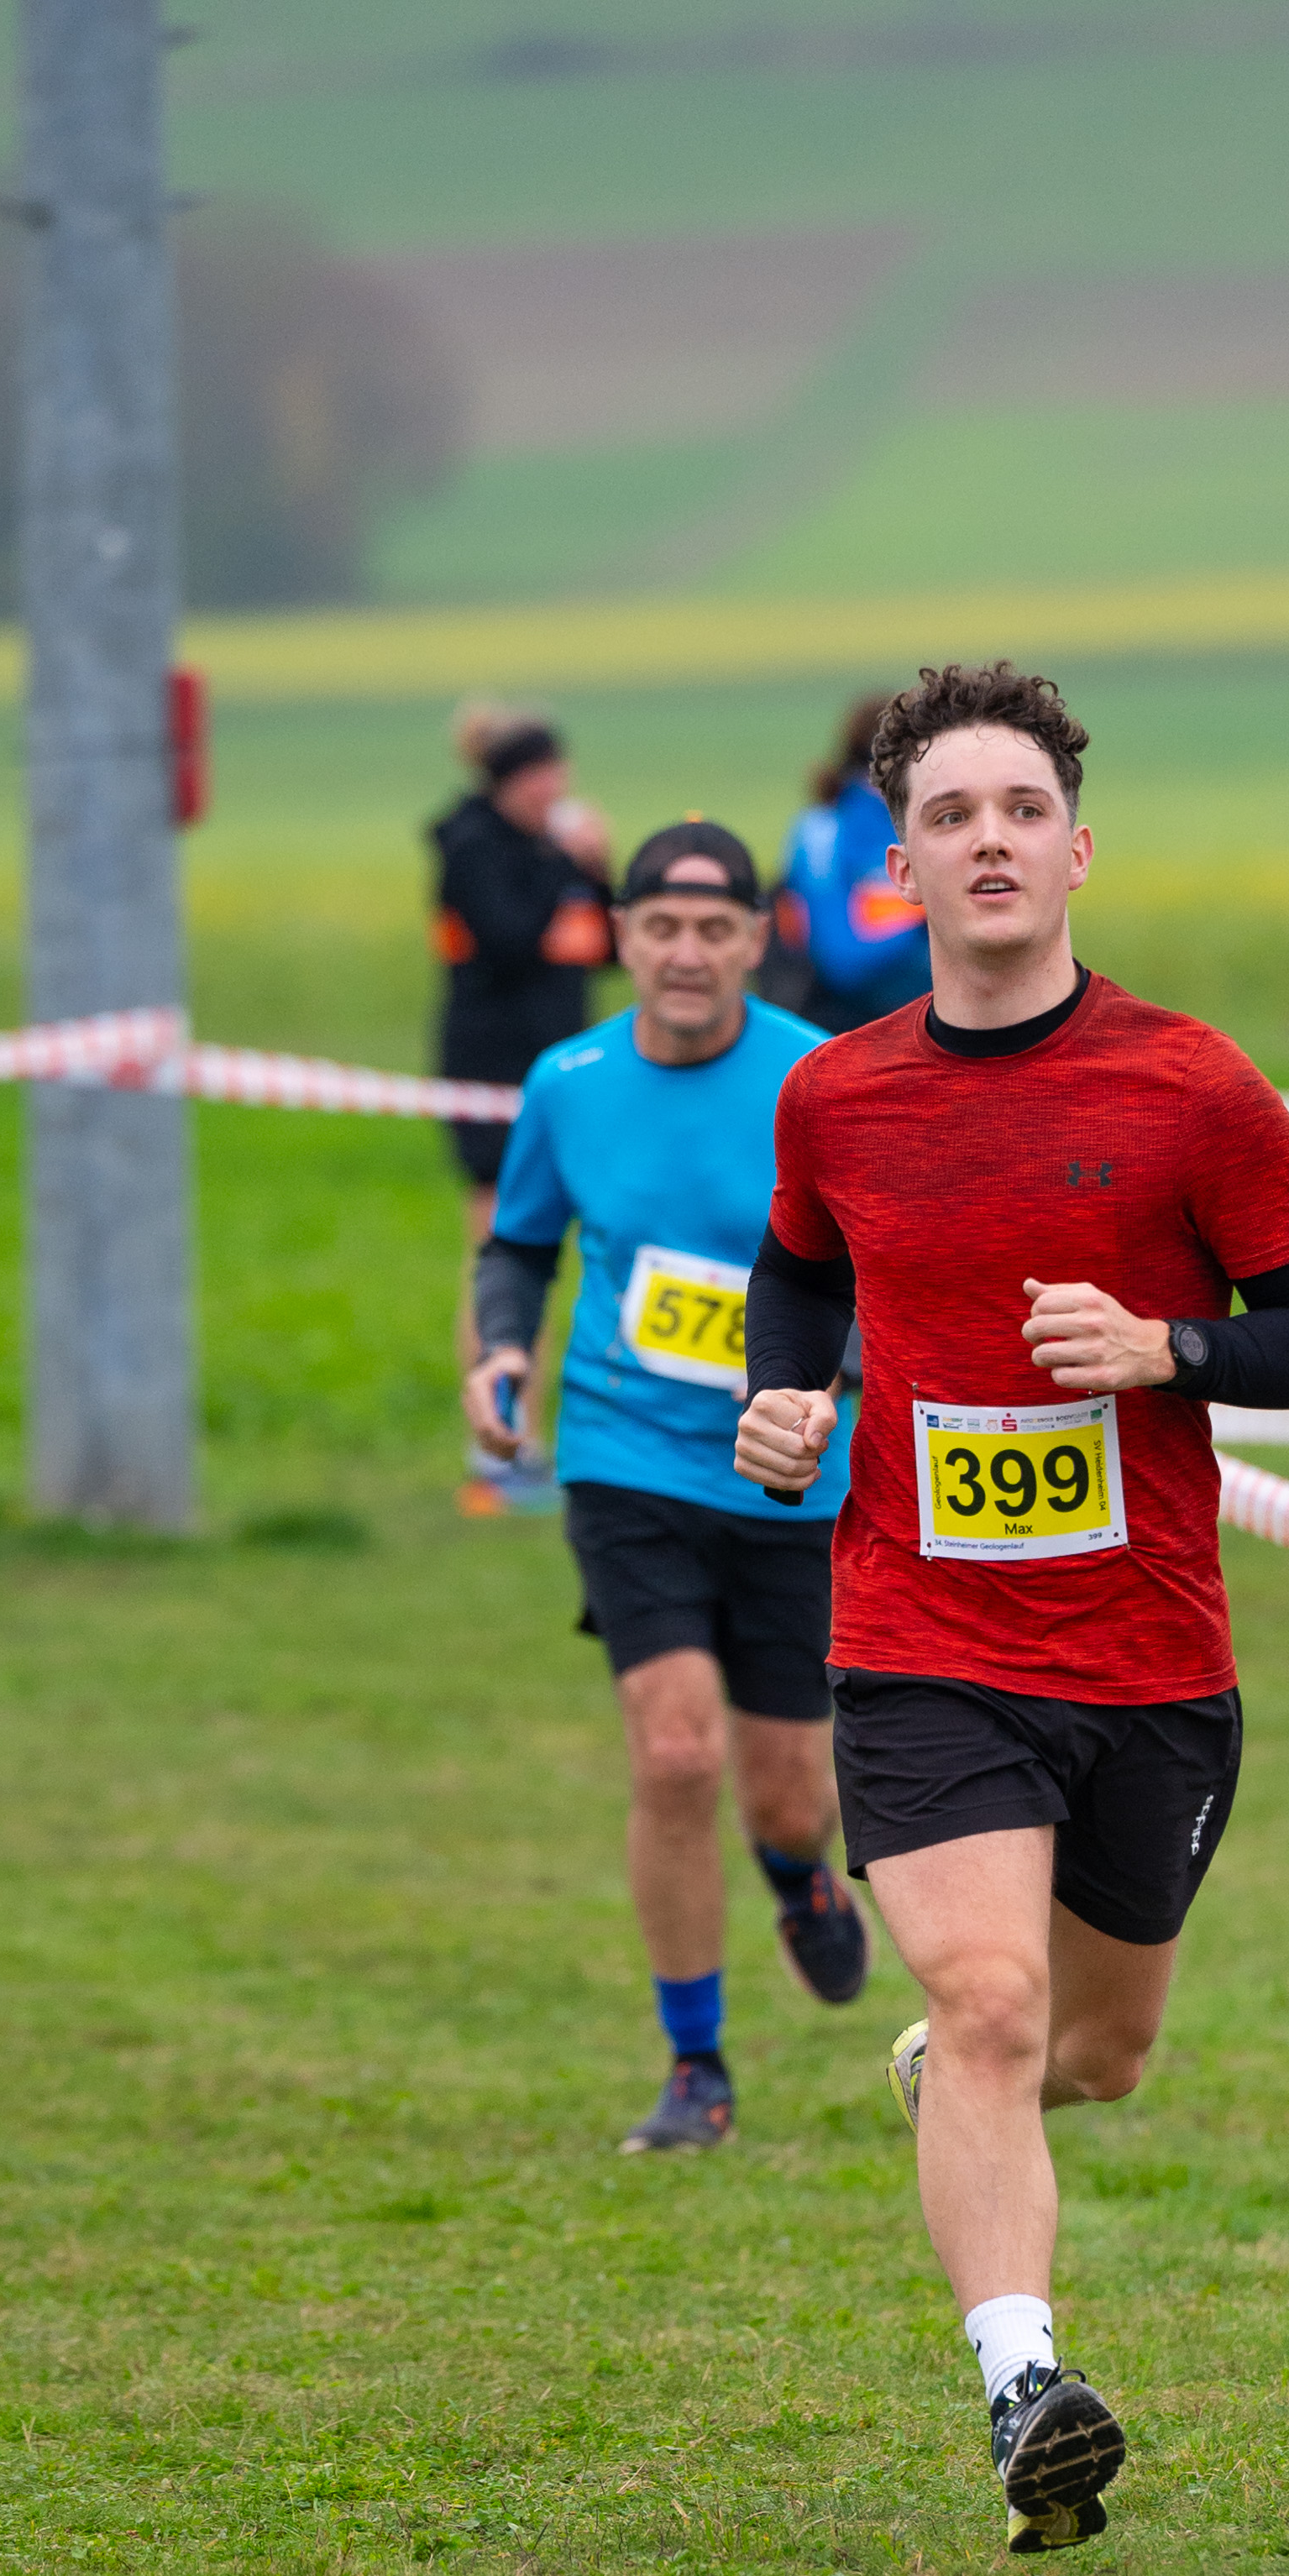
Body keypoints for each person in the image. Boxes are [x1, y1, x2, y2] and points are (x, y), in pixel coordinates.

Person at [736, 662, 1289, 2556]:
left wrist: (1166, 1346)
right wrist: (784, 1395)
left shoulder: (1191, 1086)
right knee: (991, 2000)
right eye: (948, 815)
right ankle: (1024, 2388)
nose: (987, 840)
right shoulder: (834, 1094)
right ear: (897, 867)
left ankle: (953, 2081)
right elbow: (796, 1272)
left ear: (1076, 850)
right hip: (918, 1636)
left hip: (1148, 1655)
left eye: (1019, 810)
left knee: (1091, 2052)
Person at [463, 819, 871, 2153]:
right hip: (625, 1456)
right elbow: (519, 1244)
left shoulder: (819, 1081)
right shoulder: (568, 1079)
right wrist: (505, 1347)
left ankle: (800, 1876)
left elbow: (886, 1266)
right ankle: (696, 2061)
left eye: (713, 929)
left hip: (794, 1474)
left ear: (756, 940)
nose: (686, 952)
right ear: (622, 938)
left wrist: (834, 1368)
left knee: (787, 1791)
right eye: (660, 927)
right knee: (676, 1750)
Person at [429, 707, 612, 1516]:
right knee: (502, 1257)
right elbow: (510, 939)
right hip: (493, 1081)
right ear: (509, 782)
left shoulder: (545, 851)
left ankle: (538, 1440)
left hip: (561, 1078)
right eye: (540, 775)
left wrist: (595, 870)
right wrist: (562, 863)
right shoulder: (472, 850)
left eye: (558, 773)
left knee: (563, 1260)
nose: (554, 788)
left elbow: (609, 942)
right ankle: (497, 1447)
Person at [764, 693, 930, 1034]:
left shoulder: (937, 821)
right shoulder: (823, 830)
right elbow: (841, 959)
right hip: (849, 1026)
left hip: (946, 1022)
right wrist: (930, 914)